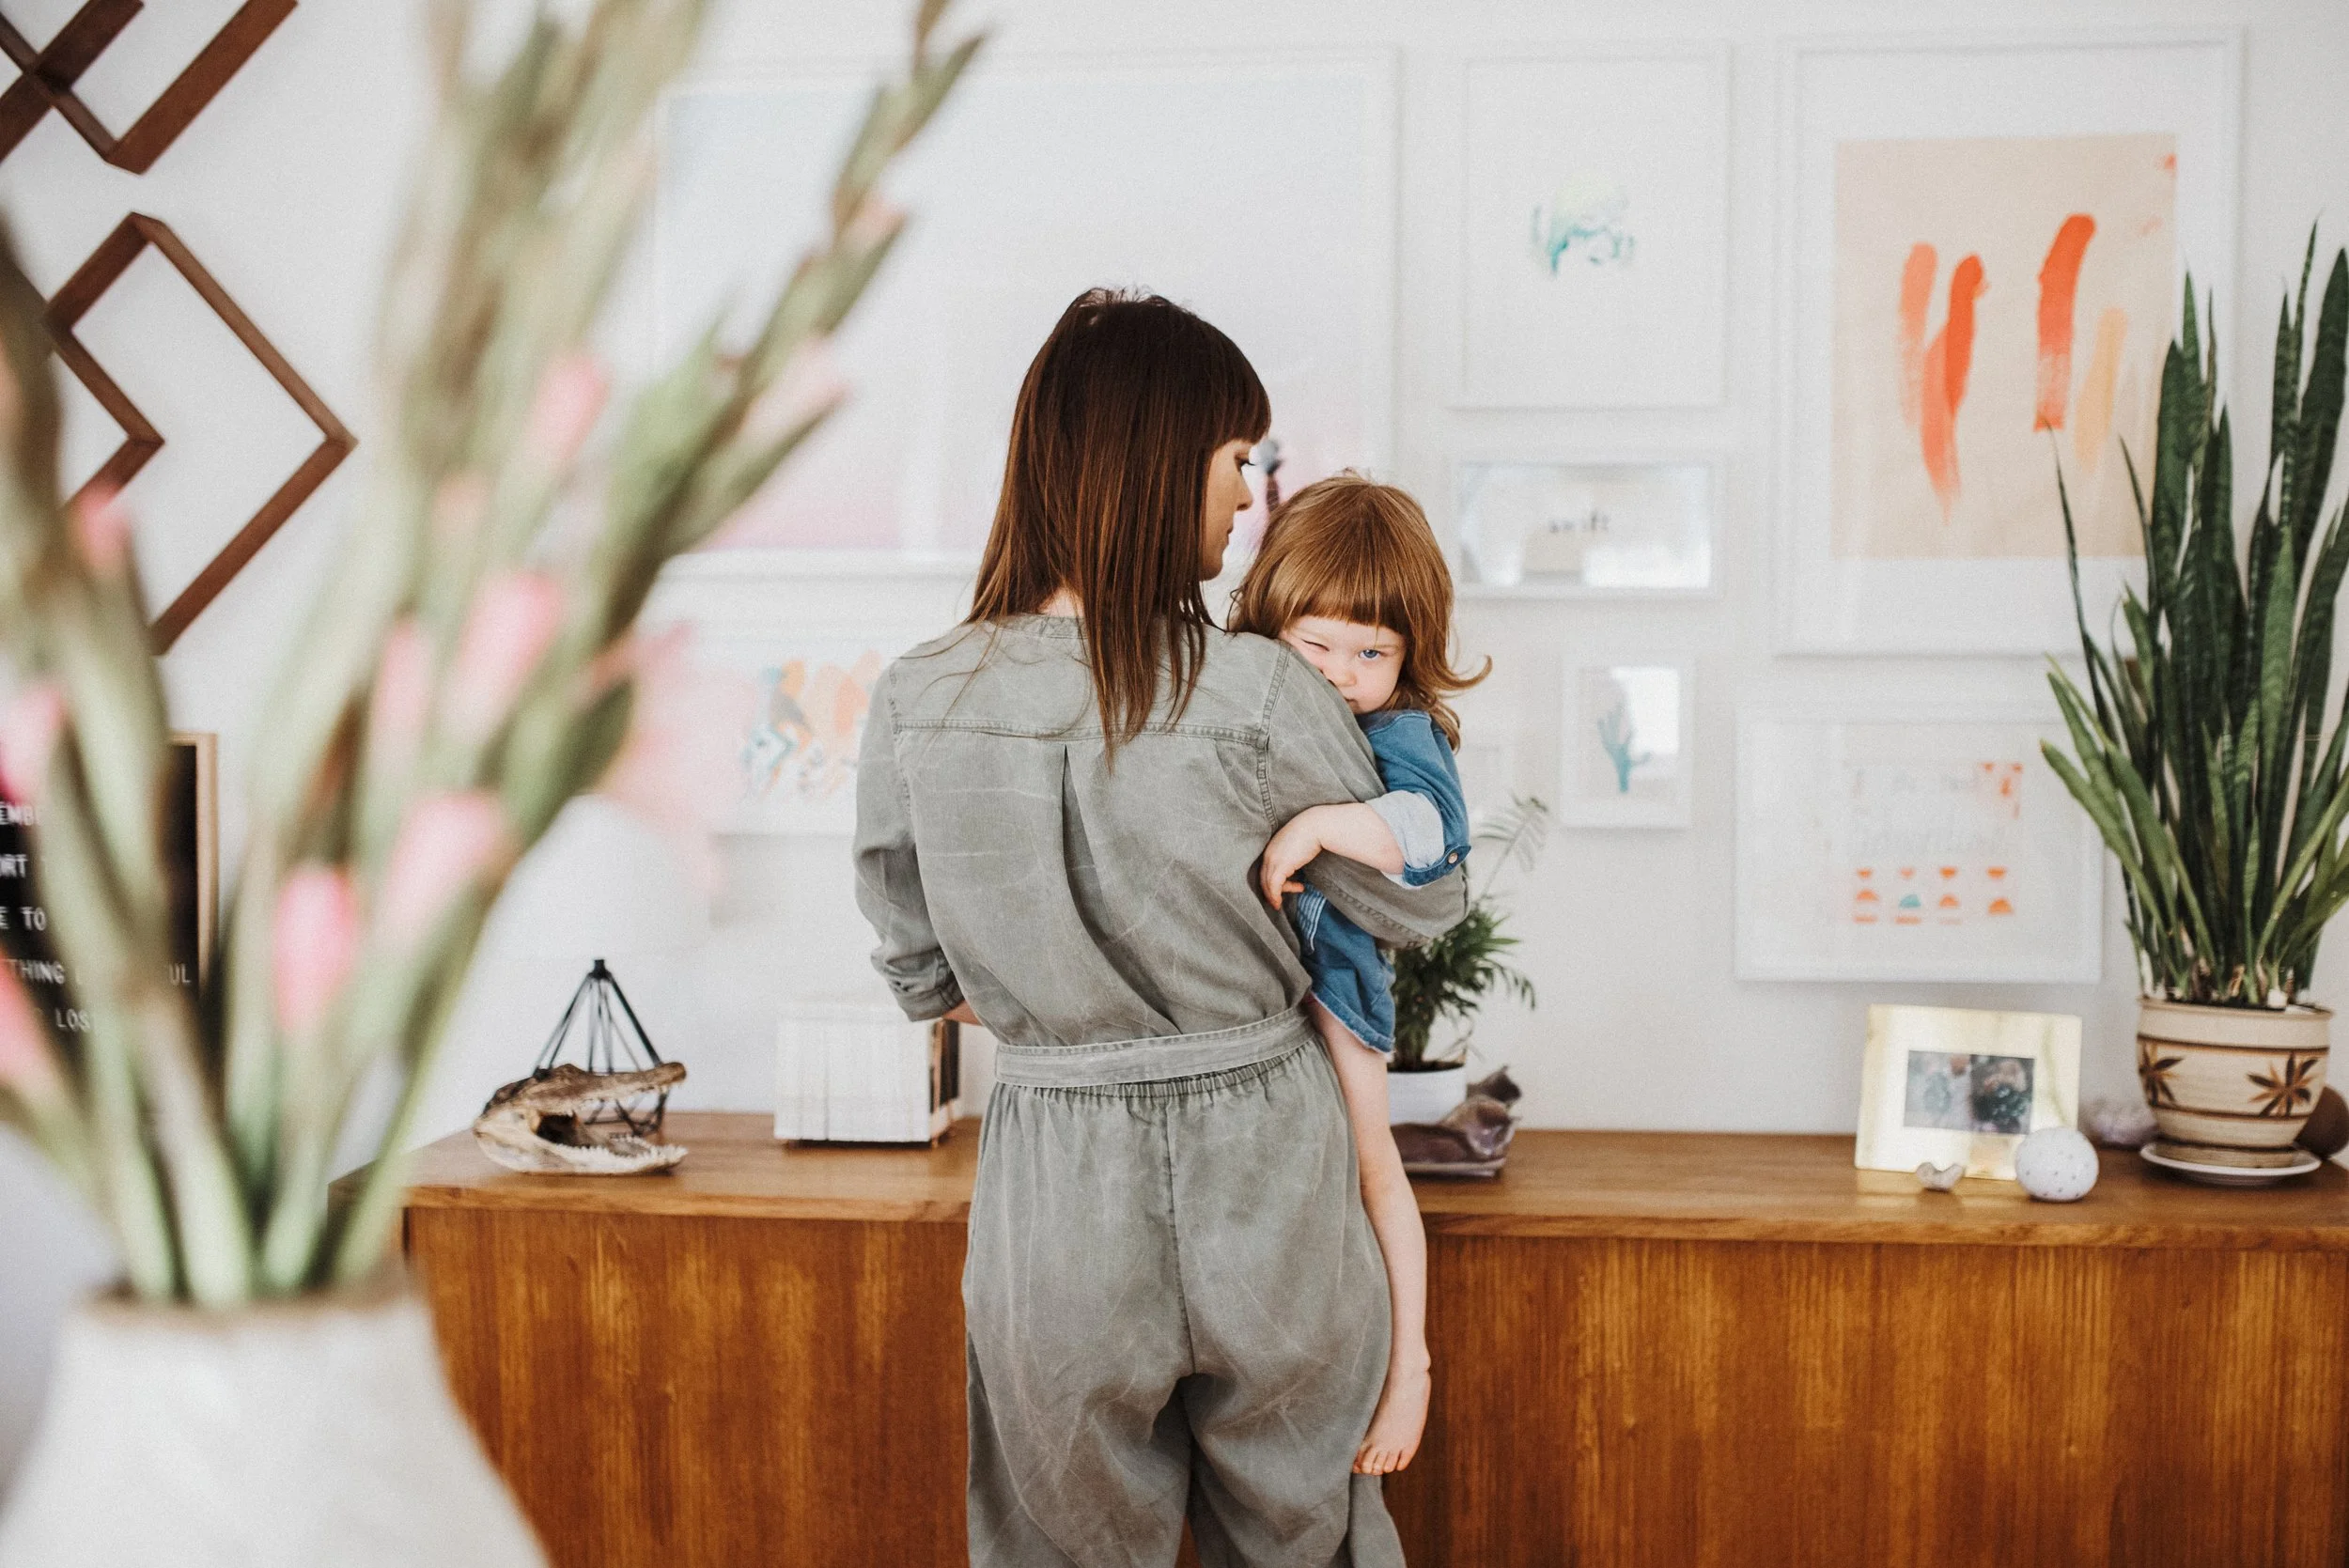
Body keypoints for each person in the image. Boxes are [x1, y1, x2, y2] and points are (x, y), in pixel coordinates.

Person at [854, 288, 1466, 1568]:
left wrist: (1071, 1001)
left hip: (1056, 1177)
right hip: (1268, 1160)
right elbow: (1419, 900)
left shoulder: (918, 698)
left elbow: (925, 977)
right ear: (1157, 459)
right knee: (1307, 1538)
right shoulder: (1260, 693)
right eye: (1236, 459)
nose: (1248, 497)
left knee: (1062, 1544)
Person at [1225, 474, 1486, 1478]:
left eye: (1371, 653)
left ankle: (1408, 1359)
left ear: (1409, 654)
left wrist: (1321, 826)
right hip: (1250, 987)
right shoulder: (1243, 697)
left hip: (1335, 985)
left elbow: (1434, 835)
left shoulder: (1400, 731)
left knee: (1372, 1163)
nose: (1342, 674)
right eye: (1317, 646)